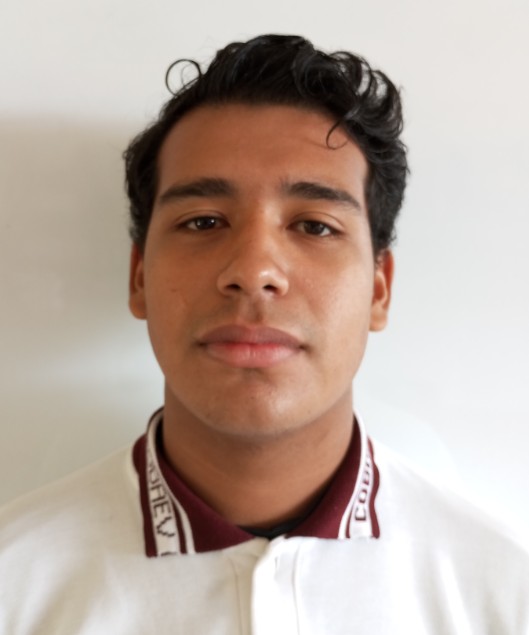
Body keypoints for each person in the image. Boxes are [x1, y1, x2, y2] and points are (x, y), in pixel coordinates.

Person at [0, 34, 528, 634]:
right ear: (139, 276)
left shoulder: (501, 596)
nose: (253, 271)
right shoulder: (14, 587)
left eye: (314, 225)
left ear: (379, 289)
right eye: (203, 221)